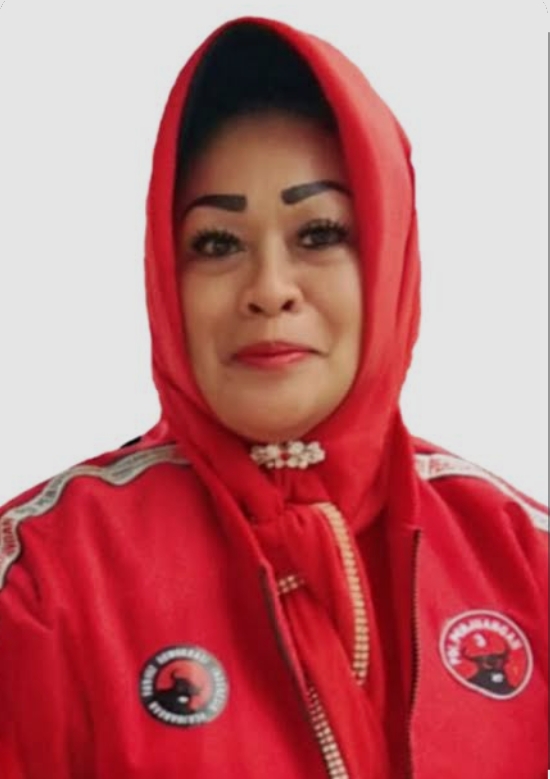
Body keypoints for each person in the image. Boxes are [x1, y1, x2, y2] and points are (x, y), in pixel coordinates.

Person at [0, 16, 547, 779]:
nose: (269, 289)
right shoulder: (42, 577)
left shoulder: (522, 558)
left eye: (319, 233)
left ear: (389, 256)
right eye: (217, 243)